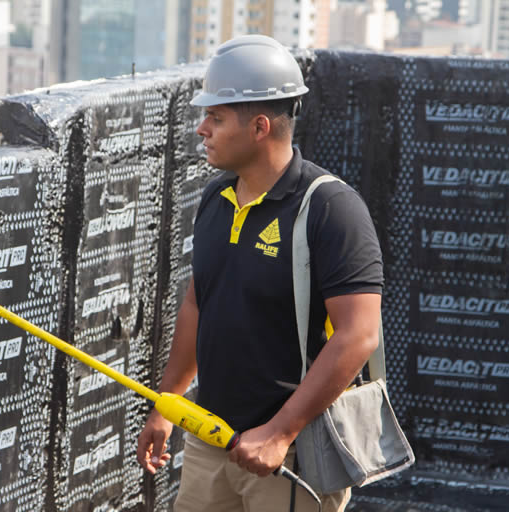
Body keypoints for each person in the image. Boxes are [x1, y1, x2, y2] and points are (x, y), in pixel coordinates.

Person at [136, 35, 384, 512]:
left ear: (260, 127)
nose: (201, 128)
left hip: (291, 456)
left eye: (216, 117)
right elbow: (197, 301)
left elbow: (359, 335)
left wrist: (278, 432)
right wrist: (167, 403)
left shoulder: (330, 209)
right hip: (212, 441)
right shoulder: (216, 198)